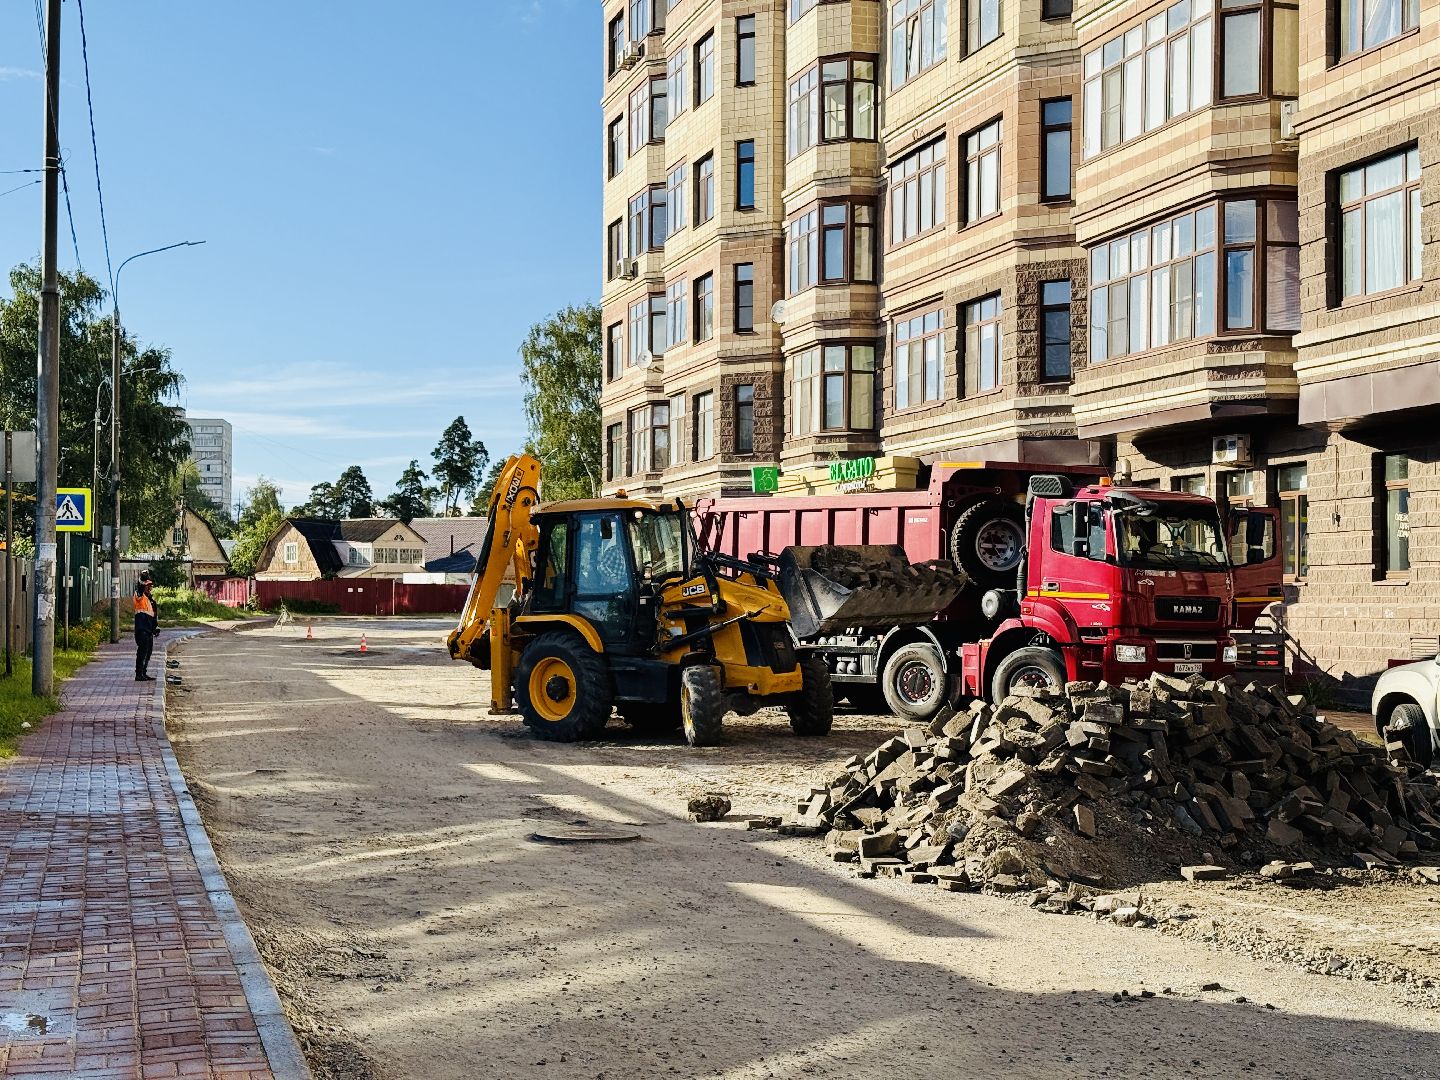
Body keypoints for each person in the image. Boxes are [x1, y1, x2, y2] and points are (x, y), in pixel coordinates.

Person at [134, 572, 158, 682]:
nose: (149, 588)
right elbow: (139, 589)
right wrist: (142, 580)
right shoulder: (139, 596)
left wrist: (155, 628)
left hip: (148, 631)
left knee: (148, 653)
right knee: (142, 653)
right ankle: (139, 674)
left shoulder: (150, 600)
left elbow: (152, 616)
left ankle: (143, 673)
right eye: (147, 586)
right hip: (142, 630)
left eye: (150, 586)